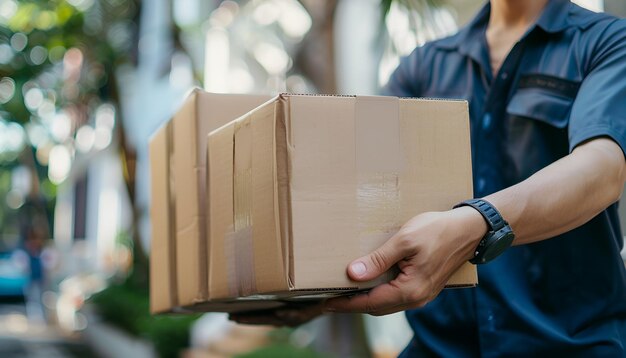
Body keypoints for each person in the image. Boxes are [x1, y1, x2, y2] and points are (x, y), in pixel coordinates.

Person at [231, 0, 626, 355]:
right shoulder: (425, 65)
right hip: (440, 345)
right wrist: (310, 284)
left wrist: (479, 222)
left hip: (570, 342)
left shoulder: (606, 42)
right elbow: (365, 180)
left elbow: (603, 168)